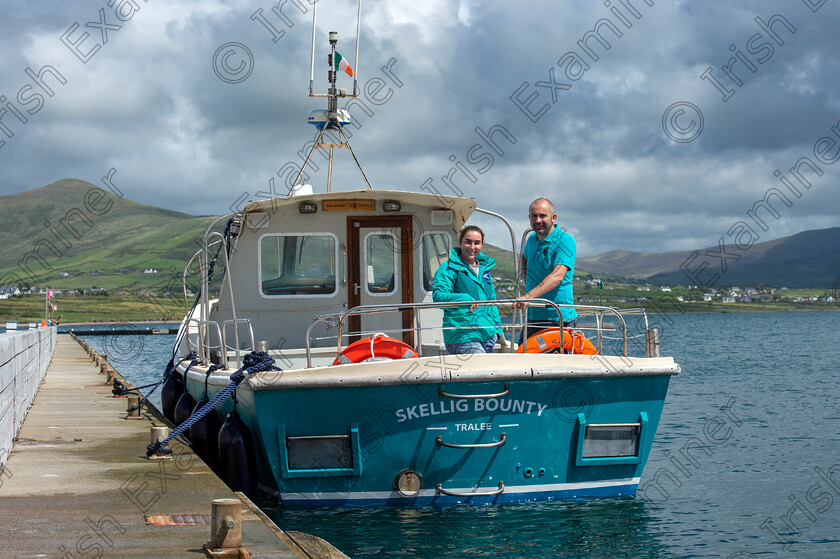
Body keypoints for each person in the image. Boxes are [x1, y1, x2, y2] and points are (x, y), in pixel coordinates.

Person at [433, 225, 503, 355]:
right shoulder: (447, 268)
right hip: (462, 335)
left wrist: (497, 330)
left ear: (482, 245)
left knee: (483, 373)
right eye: (468, 242)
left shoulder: (484, 270)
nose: (472, 247)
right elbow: (438, 297)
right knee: (483, 372)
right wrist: (464, 299)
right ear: (460, 242)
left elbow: (492, 301)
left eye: (477, 243)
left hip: (487, 336)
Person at [517, 198, 577, 340]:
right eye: (534, 216)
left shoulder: (565, 240)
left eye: (542, 215)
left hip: (558, 319)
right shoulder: (531, 239)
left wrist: (528, 296)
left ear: (553, 217)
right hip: (532, 317)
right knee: (523, 360)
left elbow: (557, 276)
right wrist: (529, 283)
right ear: (529, 218)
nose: (538, 220)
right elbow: (524, 258)